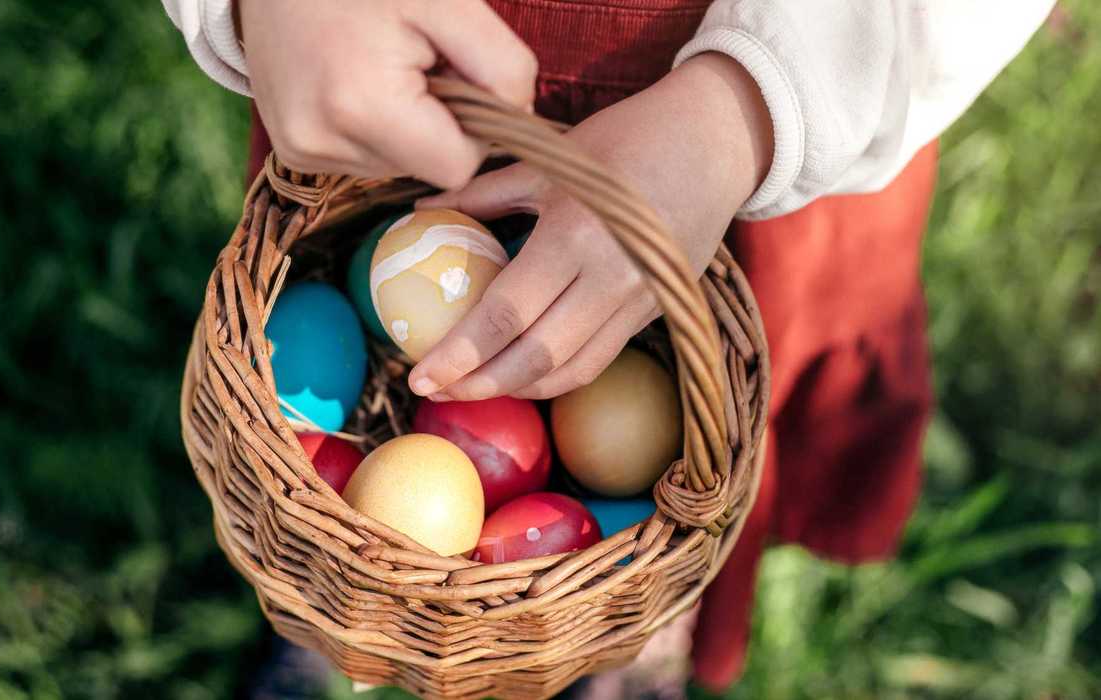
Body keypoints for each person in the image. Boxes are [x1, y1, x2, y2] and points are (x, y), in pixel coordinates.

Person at [163, 0, 1056, 695]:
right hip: (393, 67)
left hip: (748, 114)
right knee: (345, 355)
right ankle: (345, 604)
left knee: (675, 430)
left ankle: (635, 617)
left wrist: (752, 108)